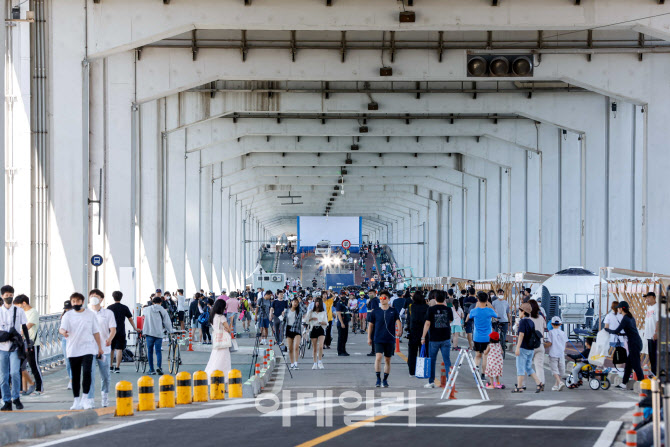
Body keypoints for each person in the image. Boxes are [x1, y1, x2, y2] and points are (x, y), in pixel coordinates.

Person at [59, 292, 104, 410]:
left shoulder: (90, 314)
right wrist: (63, 332)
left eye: (78, 301)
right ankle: (76, 400)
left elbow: (96, 332)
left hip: (88, 348)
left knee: (87, 373)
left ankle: (86, 399)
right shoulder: (67, 315)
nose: (75, 303)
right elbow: (61, 328)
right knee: (75, 375)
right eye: (73, 301)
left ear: (82, 302)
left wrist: (99, 347)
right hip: (73, 349)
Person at [86, 289, 116, 407]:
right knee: (90, 374)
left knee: (105, 376)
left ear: (101, 299)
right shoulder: (86, 313)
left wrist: (110, 338)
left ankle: (105, 396)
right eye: (91, 295)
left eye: (96, 296)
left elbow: (113, 329)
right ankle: (90, 399)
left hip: (104, 349)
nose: (93, 297)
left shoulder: (108, 313)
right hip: (89, 349)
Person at [605, 301, 644, 390]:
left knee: (636, 365)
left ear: (621, 309)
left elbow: (617, 330)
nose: (617, 309)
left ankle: (642, 384)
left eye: (618, 308)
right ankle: (624, 383)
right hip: (636, 342)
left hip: (634, 344)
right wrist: (621, 335)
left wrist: (607, 330)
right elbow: (630, 331)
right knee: (629, 365)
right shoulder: (630, 317)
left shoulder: (626, 318)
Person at [0, 285, 27, 411]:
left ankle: (16, 397)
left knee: (15, 373)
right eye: (6, 295)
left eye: (11, 295)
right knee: (3, 376)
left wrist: (28, 343)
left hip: (15, 347)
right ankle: (6, 401)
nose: (9, 297)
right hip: (1, 348)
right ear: (2, 296)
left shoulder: (19, 310)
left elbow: (24, 326)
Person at [368, 290, 402, 388]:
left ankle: (385, 380)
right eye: (381, 298)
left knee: (387, 359)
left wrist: (399, 330)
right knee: (378, 357)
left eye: (384, 298)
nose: (382, 300)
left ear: (388, 299)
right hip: (378, 338)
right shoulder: (375, 311)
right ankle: (378, 378)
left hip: (389, 339)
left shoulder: (393, 310)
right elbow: (370, 325)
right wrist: (369, 337)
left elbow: (398, 321)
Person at [420, 290, 453, 388]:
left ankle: (431, 382)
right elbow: (450, 320)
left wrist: (423, 337)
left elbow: (427, 323)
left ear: (435, 298)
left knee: (432, 360)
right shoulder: (448, 309)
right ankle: (449, 381)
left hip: (434, 338)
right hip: (446, 337)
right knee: (447, 360)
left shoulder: (431, 309)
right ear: (444, 299)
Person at [14, 295, 44, 396]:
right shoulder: (20, 312)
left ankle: (39, 388)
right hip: (21, 343)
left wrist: (19, 333)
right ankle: (23, 388)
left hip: (32, 343)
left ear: (24, 303)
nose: (16, 307)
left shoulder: (33, 312)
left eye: (17, 305)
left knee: (34, 365)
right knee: (20, 366)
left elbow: (28, 325)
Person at [466, 291, 498, 379]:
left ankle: (476, 369)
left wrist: (477, 306)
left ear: (478, 299)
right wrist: (489, 305)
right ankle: (483, 374)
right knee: (485, 356)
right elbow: (496, 315)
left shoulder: (474, 311)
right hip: (487, 337)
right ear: (487, 299)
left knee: (477, 355)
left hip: (477, 337)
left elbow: (470, 316)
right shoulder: (489, 311)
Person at [513, 302, 543, 393]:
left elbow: (521, 335)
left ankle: (519, 387)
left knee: (520, 367)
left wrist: (517, 348)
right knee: (528, 367)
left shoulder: (523, 322)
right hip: (530, 348)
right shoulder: (531, 321)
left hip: (523, 348)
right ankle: (539, 383)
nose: (519, 312)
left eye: (519, 310)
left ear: (523, 311)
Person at [143, 296, 174, 375]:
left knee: (150, 352)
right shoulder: (163, 310)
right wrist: (170, 331)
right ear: (161, 302)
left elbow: (143, 314)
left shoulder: (147, 309)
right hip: (158, 334)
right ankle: (159, 367)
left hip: (149, 333)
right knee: (158, 351)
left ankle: (151, 370)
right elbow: (167, 322)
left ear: (153, 302)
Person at [107, 291, 137, 373]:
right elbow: (130, 319)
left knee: (111, 349)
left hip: (111, 331)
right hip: (121, 331)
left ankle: (110, 367)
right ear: (121, 297)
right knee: (119, 349)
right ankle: (117, 368)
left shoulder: (109, 308)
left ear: (113, 297)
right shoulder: (124, 307)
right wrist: (135, 327)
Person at [205, 300, 232, 384]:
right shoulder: (221, 317)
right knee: (224, 360)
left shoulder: (213, 316)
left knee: (215, 358)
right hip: (223, 341)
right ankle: (225, 379)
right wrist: (231, 321)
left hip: (217, 339)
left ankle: (212, 376)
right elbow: (229, 329)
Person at [407, 291, 429, 376]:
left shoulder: (411, 307)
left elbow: (409, 319)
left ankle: (412, 371)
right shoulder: (427, 307)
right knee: (423, 351)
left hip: (413, 332)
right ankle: (422, 370)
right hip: (424, 332)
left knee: (412, 352)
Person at [545, 316, 568, 391]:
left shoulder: (550, 333)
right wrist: (563, 350)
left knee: (554, 369)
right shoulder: (563, 333)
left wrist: (543, 346)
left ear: (551, 324)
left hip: (553, 353)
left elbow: (549, 343)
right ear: (560, 324)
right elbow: (565, 343)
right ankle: (556, 385)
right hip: (561, 354)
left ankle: (560, 383)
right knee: (561, 370)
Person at [527, 299, 547, 385]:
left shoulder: (527, 318)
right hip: (540, 344)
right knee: (539, 366)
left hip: (528, 345)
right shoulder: (541, 318)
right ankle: (540, 383)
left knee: (524, 365)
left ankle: (522, 384)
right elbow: (543, 330)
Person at [305, 297, 328, 370]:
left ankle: (320, 361)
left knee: (321, 346)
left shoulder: (323, 312)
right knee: (314, 348)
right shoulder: (311, 311)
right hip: (313, 328)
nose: (317, 303)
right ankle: (315, 363)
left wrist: (321, 322)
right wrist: (311, 319)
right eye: (316, 302)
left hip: (321, 328)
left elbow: (326, 323)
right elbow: (306, 321)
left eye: (318, 302)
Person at [285, 297, 305, 369]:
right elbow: (284, 320)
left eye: (297, 302)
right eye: (294, 302)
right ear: (291, 302)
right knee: (290, 348)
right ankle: (292, 363)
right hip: (288, 329)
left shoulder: (299, 311)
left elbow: (305, 310)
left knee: (296, 347)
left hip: (297, 330)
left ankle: (296, 363)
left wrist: (301, 301)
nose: (295, 303)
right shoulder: (287, 311)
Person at [643, 292, 659, 376]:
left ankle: (657, 374)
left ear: (654, 297)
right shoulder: (649, 307)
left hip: (654, 336)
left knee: (656, 356)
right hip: (649, 335)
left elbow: (658, 321)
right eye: (646, 298)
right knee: (651, 356)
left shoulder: (657, 307)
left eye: (648, 297)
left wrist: (656, 332)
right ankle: (653, 373)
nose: (647, 299)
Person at [60, 300, 74, 390]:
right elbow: (60, 329)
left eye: (69, 309)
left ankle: (72, 380)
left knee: (72, 360)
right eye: (66, 309)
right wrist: (63, 332)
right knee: (68, 362)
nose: (68, 310)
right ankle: (71, 378)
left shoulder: (78, 316)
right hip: (65, 340)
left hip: (75, 340)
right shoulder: (64, 316)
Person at [366, 289, 380, 356]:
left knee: (373, 335)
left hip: (373, 321)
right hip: (374, 320)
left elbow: (373, 310)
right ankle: (374, 350)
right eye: (369, 293)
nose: (370, 294)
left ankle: (374, 351)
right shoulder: (374, 300)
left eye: (371, 293)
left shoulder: (374, 300)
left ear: (375, 293)